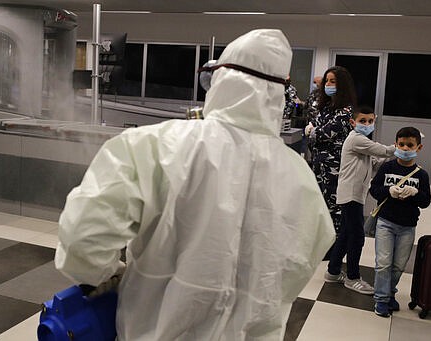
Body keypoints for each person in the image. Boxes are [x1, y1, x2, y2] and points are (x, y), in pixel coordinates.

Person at [55, 29, 335, 340]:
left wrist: (105, 274)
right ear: (277, 94)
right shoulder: (299, 175)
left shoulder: (154, 145)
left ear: (220, 80)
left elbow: (85, 237)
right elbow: (303, 259)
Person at [324, 106, 395, 295]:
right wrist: (402, 147)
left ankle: (333, 271)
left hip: (354, 194)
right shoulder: (357, 139)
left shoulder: (362, 142)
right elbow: (383, 151)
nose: (367, 124)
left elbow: (374, 162)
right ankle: (353, 277)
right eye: (362, 121)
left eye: (370, 121)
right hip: (351, 195)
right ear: (353, 123)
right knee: (357, 236)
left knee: (347, 233)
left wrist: (389, 161)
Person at [369, 126, 431, 317]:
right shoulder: (387, 167)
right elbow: (374, 190)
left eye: (409, 145)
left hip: (407, 226)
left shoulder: (421, 175)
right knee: (384, 263)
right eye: (401, 144)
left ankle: (389, 293)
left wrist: (415, 193)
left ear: (418, 148)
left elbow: (425, 201)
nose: (405, 149)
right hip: (385, 222)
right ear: (395, 144)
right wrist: (388, 191)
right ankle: (381, 299)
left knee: (398, 266)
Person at [304, 66, 357, 256]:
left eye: (332, 81)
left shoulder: (346, 111)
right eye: (327, 81)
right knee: (319, 206)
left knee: (334, 208)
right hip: (318, 165)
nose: (328, 84)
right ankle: (319, 246)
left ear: (342, 85)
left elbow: (325, 133)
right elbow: (316, 131)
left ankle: (332, 250)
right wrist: (314, 132)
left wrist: (313, 132)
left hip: (335, 167)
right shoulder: (326, 108)